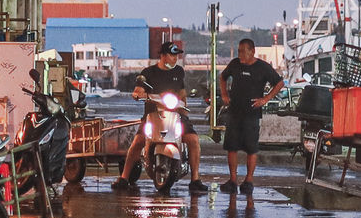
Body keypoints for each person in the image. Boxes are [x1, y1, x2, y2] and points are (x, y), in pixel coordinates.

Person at [112, 41, 207, 192]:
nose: (175, 58)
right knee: (138, 141)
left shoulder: (179, 72)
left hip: (175, 115)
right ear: (162, 56)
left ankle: (195, 179)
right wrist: (138, 94)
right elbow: (138, 89)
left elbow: (182, 93)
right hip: (153, 115)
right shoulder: (149, 72)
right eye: (171, 55)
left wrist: (184, 108)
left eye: (176, 55)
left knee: (193, 139)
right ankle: (123, 177)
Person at [217, 38, 284, 194]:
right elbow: (223, 77)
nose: (240, 54)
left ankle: (248, 180)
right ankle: (232, 180)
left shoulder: (262, 67)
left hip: (252, 114)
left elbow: (280, 83)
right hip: (234, 112)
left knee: (251, 149)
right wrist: (225, 94)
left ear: (252, 51)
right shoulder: (234, 64)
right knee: (231, 147)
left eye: (243, 51)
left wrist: (266, 99)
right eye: (239, 51)